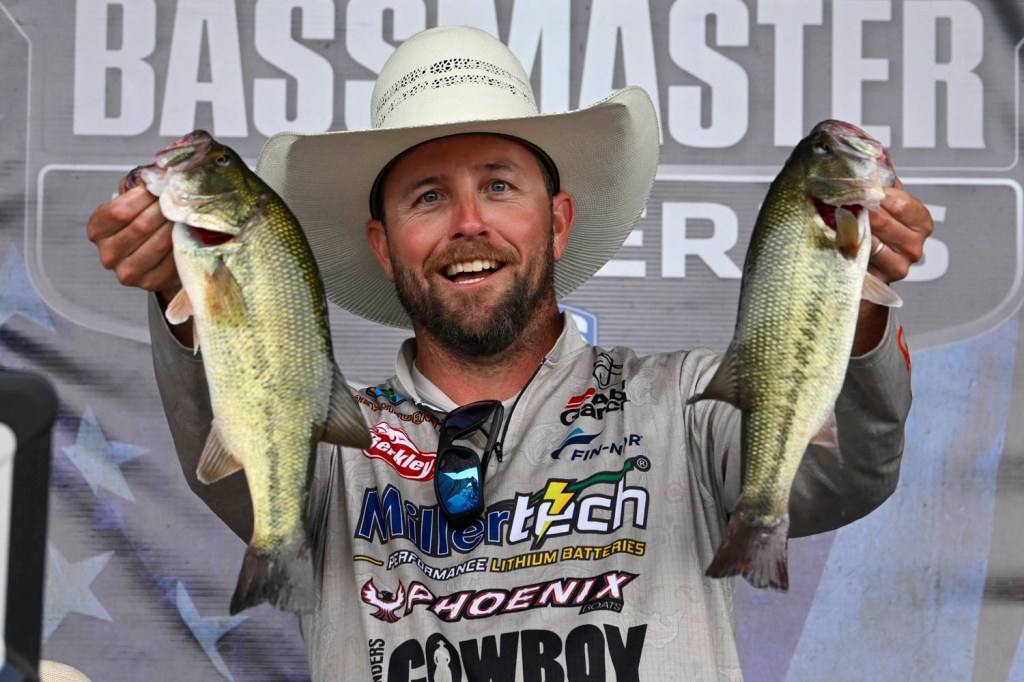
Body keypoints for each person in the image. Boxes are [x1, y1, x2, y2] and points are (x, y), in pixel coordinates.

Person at [86, 25, 931, 682]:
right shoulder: (331, 443)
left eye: (498, 185)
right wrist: (187, 298)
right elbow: (244, 456)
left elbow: (848, 472)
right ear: (383, 246)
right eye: (428, 196)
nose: (469, 224)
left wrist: (850, 298)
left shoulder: (684, 406)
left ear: (556, 222)